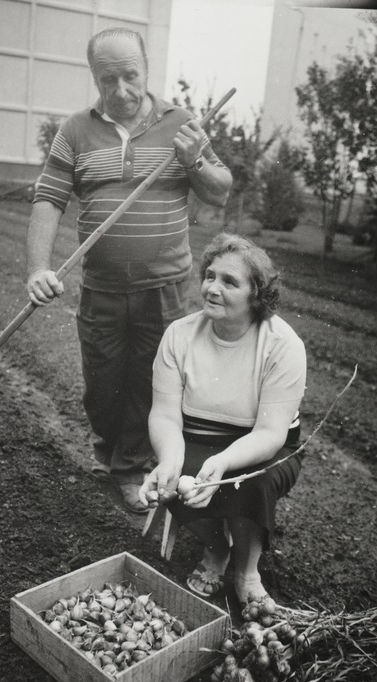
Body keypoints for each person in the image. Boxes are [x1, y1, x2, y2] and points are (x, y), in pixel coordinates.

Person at [26, 27, 232, 514]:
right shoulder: (75, 130)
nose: (121, 90)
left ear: (146, 68)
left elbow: (219, 189)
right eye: (108, 79)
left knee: (148, 381)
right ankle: (109, 452)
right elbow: (49, 199)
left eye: (130, 75)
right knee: (101, 384)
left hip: (163, 286)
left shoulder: (182, 123)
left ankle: (131, 467)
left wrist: (194, 159)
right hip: (101, 286)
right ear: (95, 78)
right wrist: (37, 267)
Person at [138, 233, 307, 604]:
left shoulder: (283, 345)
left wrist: (223, 462)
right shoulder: (179, 336)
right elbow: (165, 415)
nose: (212, 288)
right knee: (173, 478)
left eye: (229, 282)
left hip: (263, 445)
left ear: (256, 295)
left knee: (251, 484)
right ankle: (216, 548)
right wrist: (170, 459)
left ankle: (247, 571)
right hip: (198, 437)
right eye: (210, 276)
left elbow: (271, 432)